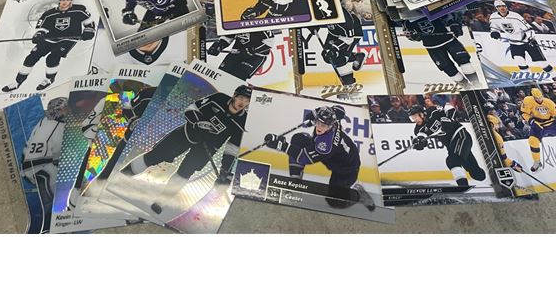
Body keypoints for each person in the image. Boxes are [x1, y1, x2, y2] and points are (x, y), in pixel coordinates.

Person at [121, 85, 252, 216]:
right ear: (234, 96)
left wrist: (225, 170)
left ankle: (161, 202)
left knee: (186, 171)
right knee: (155, 155)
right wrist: (198, 123)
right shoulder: (219, 98)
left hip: (207, 148)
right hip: (187, 134)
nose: (243, 103)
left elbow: (232, 148)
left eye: (247, 101)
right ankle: (123, 176)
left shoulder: (243, 121)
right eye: (241, 98)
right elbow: (191, 109)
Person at [264, 105, 375, 210]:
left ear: (331, 125)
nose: (319, 127)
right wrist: (312, 117)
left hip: (346, 168)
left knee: (334, 201)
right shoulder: (333, 116)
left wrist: (280, 145)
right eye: (318, 122)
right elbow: (339, 110)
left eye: (324, 125)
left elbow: (303, 157)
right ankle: (295, 183)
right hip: (335, 156)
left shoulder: (326, 144)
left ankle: (359, 195)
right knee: (299, 139)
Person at [2, 0, 95, 92]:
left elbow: (89, 22)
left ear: (71, 1)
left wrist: (89, 31)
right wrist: (38, 35)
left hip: (69, 38)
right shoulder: (49, 13)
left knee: (52, 58)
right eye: (63, 0)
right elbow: (41, 28)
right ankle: (17, 82)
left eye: (68, 0)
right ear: (60, 0)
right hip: (50, 38)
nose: (65, 2)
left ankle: (49, 79)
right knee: (31, 57)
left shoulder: (79, 9)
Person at [408, 104, 486, 186]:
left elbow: (448, 107)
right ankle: (487, 176)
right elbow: (422, 137)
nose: (414, 120)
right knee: (477, 174)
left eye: (415, 117)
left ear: (421, 114)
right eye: (412, 118)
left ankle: (463, 186)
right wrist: (419, 143)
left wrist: (449, 119)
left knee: (452, 161)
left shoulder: (432, 111)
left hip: (460, 136)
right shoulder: (418, 129)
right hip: (451, 145)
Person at [402, 16, 481, 89]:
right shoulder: (406, 19)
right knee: (451, 71)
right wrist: (413, 36)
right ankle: (467, 88)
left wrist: (454, 23)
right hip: (433, 47)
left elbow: (449, 15)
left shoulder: (430, 9)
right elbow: (409, 34)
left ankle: (477, 85)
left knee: (465, 63)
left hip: (449, 40)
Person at [20, 96, 68, 215]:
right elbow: (34, 161)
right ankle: (54, 211)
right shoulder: (50, 128)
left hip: (43, 159)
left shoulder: (50, 121)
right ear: (57, 111)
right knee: (56, 179)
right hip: (35, 165)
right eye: (66, 108)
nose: (69, 111)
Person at [489, 0, 556, 80]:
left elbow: (529, 28)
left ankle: (555, 77)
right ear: (496, 8)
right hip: (514, 43)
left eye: (503, 6)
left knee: (541, 63)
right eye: (499, 7)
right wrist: (494, 32)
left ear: (506, 7)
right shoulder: (494, 17)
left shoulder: (515, 16)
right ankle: (529, 78)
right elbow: (494, 27)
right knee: (519, 61)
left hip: (528, 41)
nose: (502, 8)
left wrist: (530, 38)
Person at [316, 0, 365, 90]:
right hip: (334, 33)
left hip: (352, 35)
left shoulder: (346, 20)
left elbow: (348, 39)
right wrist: (313, 26)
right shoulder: (321, 7)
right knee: (327, 56)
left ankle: (350, 85)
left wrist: (335, 48)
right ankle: (355, 56)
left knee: (339, 59)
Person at [208, 30, 276, 80]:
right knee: (221, 75)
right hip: (236, 53)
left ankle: (236, 94)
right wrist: (220, 45)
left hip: (255, 56)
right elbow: (229, 36)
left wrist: (252, 49)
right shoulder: (234, 20)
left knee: (238, 77)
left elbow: (270, 41)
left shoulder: (257, 22)